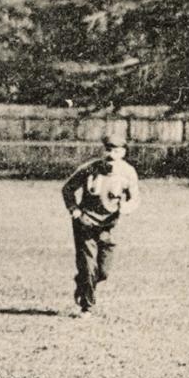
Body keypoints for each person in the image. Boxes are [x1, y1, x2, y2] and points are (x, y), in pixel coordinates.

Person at [61, 131, 142, 317]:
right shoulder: (90, 168)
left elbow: (135, 199)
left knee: (103, 271)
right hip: (86, 223)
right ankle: (87, 306)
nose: (111, 154)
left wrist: (125, 207)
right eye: (108, 149)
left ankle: (83, 284)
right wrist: (75, 210)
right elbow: (68, 188)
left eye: (116, 150)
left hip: (109, 226)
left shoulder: (128, 173)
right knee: (89, 265)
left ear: (123, 153)